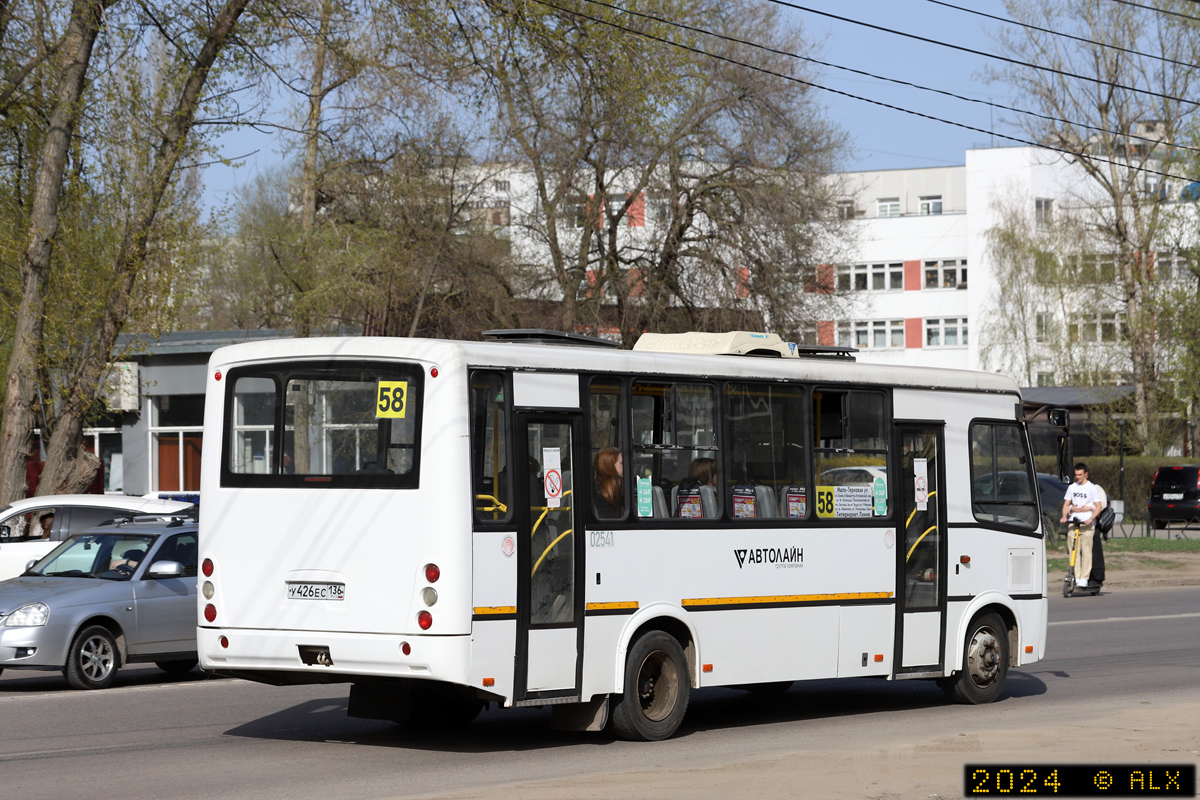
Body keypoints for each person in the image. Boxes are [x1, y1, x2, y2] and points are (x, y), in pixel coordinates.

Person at [1060, 462, 1102, 590]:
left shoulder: (1092, 488)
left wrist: (1091, 518)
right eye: (1076, 475)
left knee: (1086, 552)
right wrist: (1064, 516)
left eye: (1080, 475)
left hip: (1087, 524)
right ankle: (1076, 576)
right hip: (1074, 522)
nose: (1077, 477)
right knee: (1074, 551)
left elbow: (1098, 506)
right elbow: (1066, 504)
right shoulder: (1072, 487)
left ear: (1086, 474)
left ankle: (1084, 578)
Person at [593, 447, 623, 519]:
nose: (623, 466)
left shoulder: (595, 483)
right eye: (621, 463)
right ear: (611, 465)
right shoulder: (617, 482)